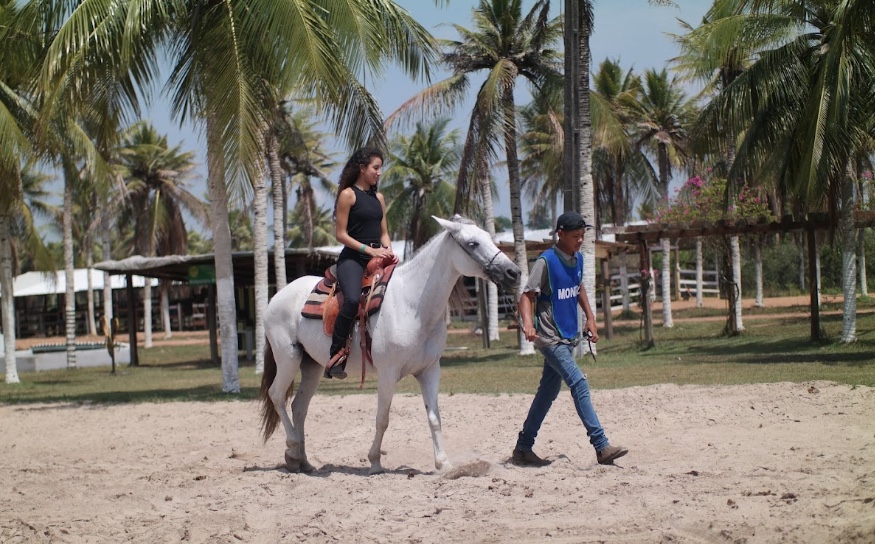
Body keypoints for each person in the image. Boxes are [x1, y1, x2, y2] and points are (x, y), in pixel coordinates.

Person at [512, 211, 628, 466]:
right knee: (579, 383)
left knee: (547, 393)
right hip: (549, 337)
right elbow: (527, 295)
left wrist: (590, 317)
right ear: (560, 234)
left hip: (567, 336)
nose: (580, 240)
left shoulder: (578, 259)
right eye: (575, 236)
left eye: (582, 235)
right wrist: (529, 324)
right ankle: (601, 446)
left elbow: (579, 288)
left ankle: (522, 448)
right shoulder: (546, 261)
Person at [326, 147, 398, 379]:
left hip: (378, 258)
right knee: (353, 300)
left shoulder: (379, 198)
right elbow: (341, 234)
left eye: (380, 168)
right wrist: (369, 250)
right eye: (375, 168)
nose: (379, 173)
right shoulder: (348, 195)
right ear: (362, 168)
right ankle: (336, 355)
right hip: (353, 259)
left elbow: (384, 231)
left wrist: (388, 251)